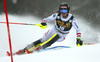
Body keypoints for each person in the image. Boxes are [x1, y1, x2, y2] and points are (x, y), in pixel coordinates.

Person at [16, 2, 83, 55]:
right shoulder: (57, 15)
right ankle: (24, 50)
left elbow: (78, 30)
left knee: (56, 36)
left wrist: (78, 39)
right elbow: (46, 19)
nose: (63, 13)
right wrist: (43, 22)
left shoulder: (72, 19)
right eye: (61, 11)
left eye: (65, 11)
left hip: (63, 34)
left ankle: (39, 49)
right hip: (54, 29)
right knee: (42, 40)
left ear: (68, 11)